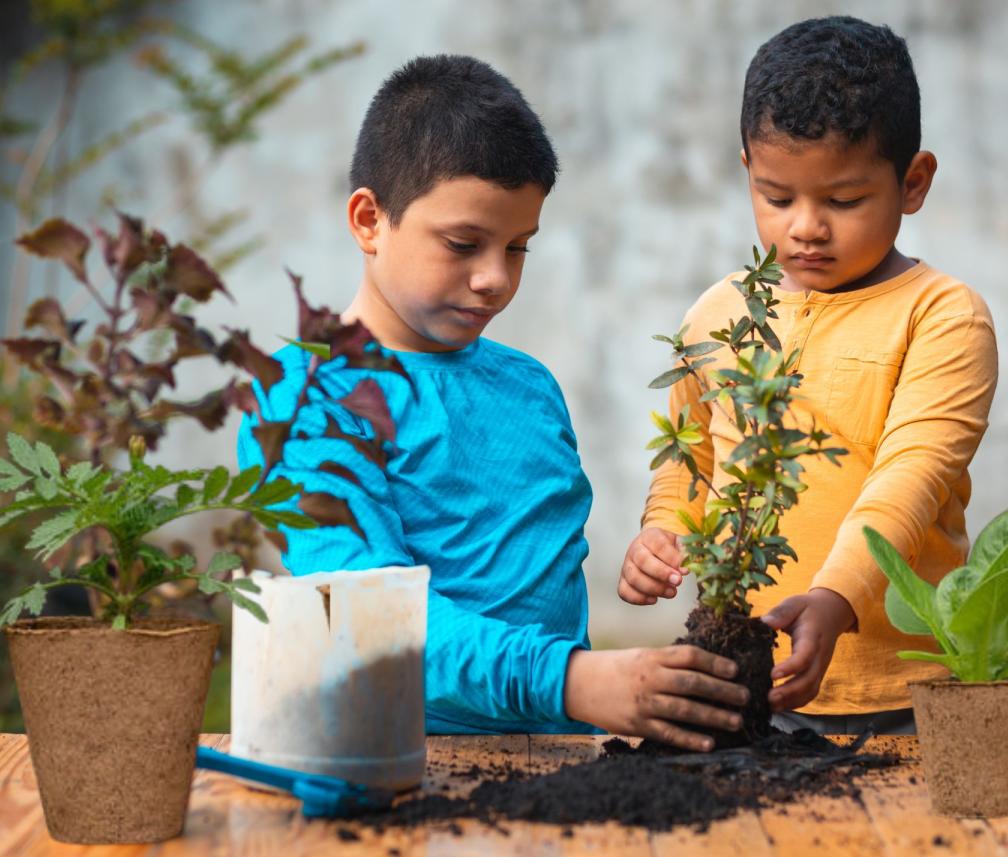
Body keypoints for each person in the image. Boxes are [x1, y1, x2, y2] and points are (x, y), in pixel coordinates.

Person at [238, 54, 747, 751]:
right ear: (368, 219)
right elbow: (368, 612)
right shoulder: (302, 400)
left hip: (569, 758)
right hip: (404, 763)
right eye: (463, 243)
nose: (493, 279)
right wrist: (573, 680)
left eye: (518, 247)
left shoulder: (530, 386)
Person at [622, 17, 998, 736]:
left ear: (912, 182)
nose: (805, 228)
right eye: (778, 196)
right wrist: (662, 532)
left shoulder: (942, 317)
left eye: (843, 200)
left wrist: (837, 596)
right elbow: (691, 456)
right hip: (742, 681)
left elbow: (912, 477)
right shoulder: (721, 314)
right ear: (747, 172)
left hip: (898, 698)